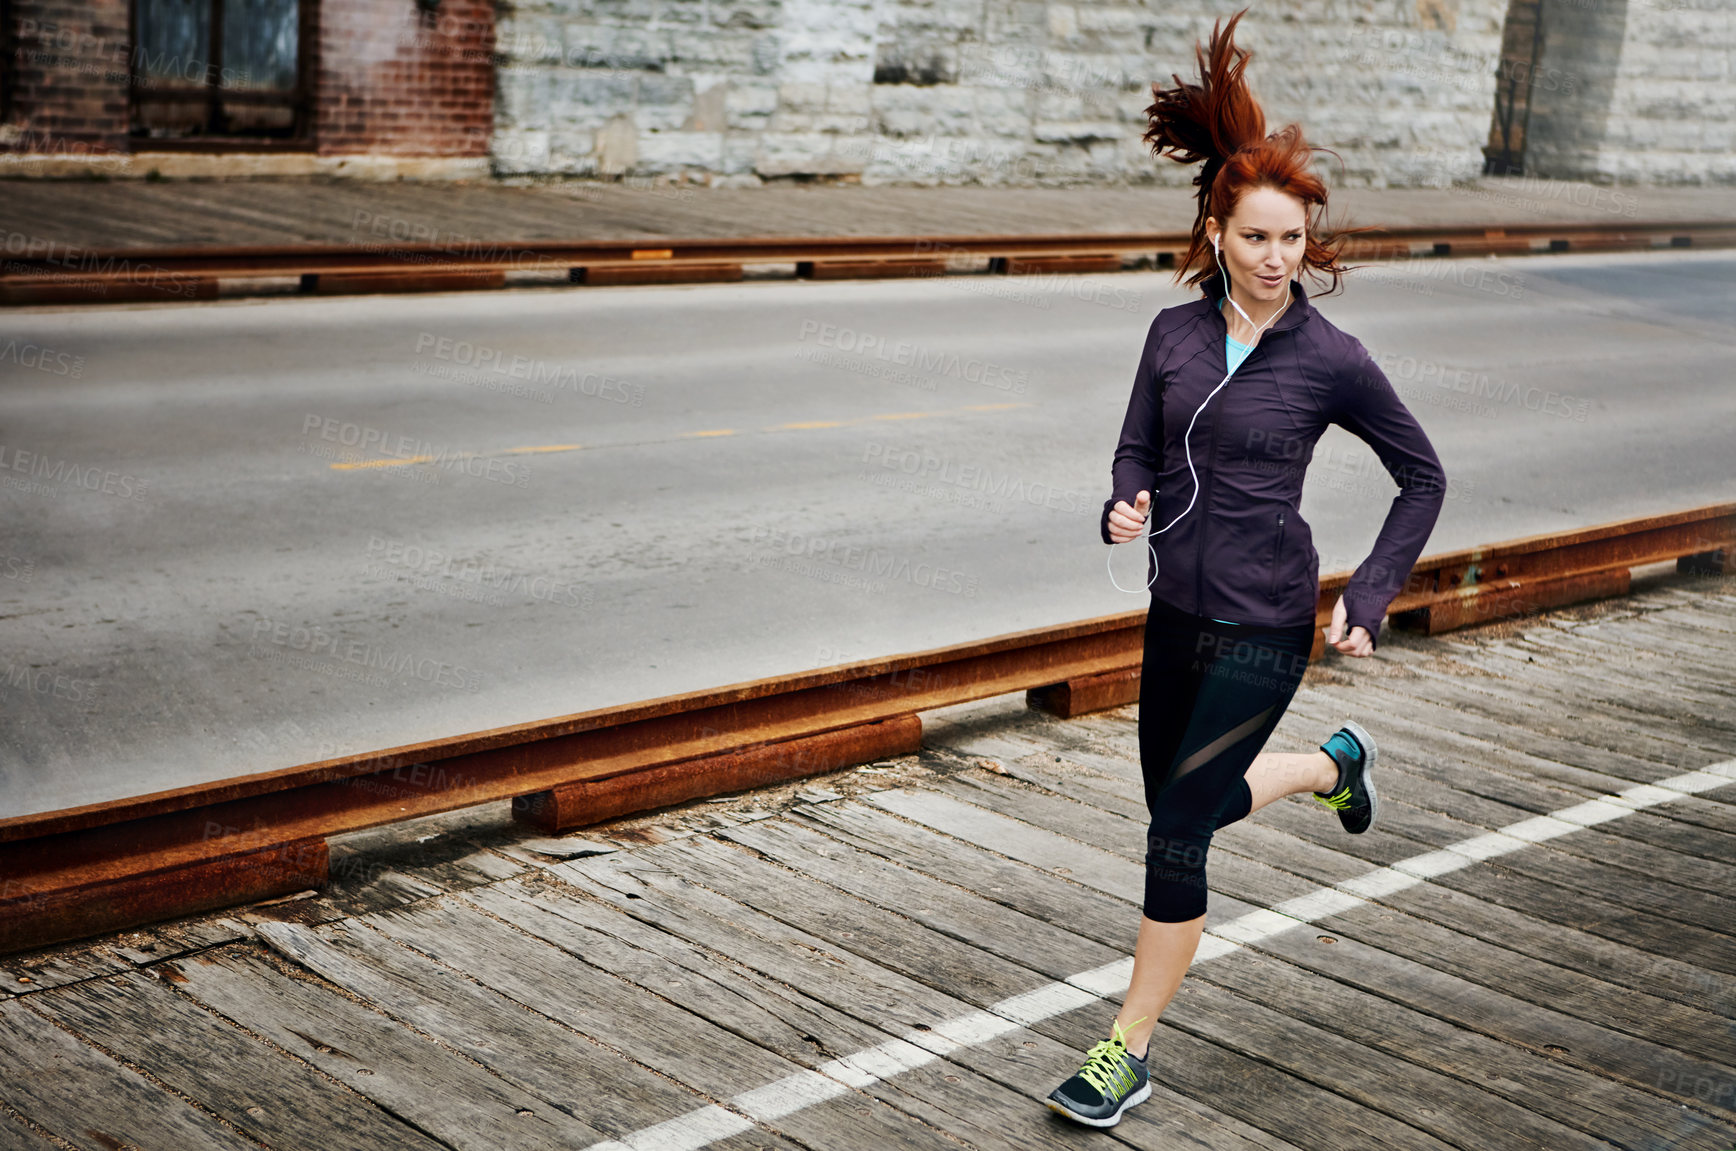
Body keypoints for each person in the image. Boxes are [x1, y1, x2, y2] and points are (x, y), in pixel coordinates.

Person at [1045, 8, 1448, 1129]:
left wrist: (1368, 595)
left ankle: (1123, 1047)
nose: (1278, 260)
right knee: (1190, 805)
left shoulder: (1330, 359)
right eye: (1257, 238)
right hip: (1172, 611)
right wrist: (1122, 502)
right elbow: (1133, 444)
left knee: (1175, 829)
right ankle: (1332, 765)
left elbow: (1422, 477)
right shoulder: (1170, 337)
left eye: (1294, 241)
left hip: (1263, 622)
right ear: (1216, 231)